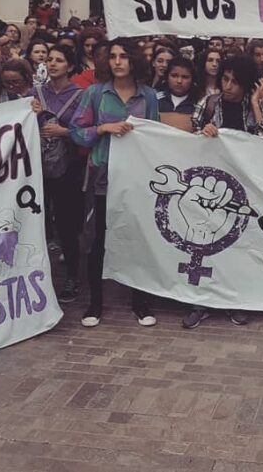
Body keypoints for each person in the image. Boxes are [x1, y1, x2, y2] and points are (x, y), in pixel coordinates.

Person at [70, 39, 159, 328]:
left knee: (137, 239)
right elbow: (76, 132)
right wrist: (102, 128)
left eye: (123, 56)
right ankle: (95, 303)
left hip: (136, 180)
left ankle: (140, 302)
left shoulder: (149, 97)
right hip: (102, 178)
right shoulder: (95, 94)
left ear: (135, 60)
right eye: (113, 56)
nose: (118, 61)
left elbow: (156, 136)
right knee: (97, 241)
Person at [187, 54, 263, 329]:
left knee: (238, 245)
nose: (228, 86)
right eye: (225, 79)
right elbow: (188, 138)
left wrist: (255, 105)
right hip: (210, 187)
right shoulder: (209, 103)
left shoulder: (255, 106)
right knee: (205, 244)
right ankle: (200, 302)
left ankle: (234, 301)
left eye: (235, 82)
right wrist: (204, 131)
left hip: (243, 189)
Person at [32, 45, 84, 303]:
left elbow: (88, 130)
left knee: (66, 224)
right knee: (37, 223)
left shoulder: (80, 95)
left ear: (70, 66)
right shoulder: (36, 93)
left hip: (68, 167)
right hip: (37, 166)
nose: (52, 64)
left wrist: (65, 132)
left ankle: (72, 277)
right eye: (50, 59)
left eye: (59, 60)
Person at [157, 57, 201, 129]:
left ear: (192, 79)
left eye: (185, 77)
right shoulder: (155, 100)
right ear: (167, 77)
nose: (179, 81)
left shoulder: (199, 104)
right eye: (174, 76)